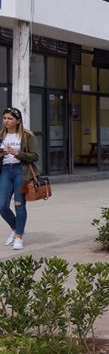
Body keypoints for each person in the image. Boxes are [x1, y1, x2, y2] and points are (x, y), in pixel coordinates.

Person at [0, 107, 39, 250]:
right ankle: (16, 228)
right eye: (4, 118)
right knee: (2, 206)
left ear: (18, 120)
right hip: (5, 171)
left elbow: (35, 156)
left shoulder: (27, 136)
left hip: (20, 172)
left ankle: (18, 237)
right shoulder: (1, 135)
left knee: (19, 205)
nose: (6, 121)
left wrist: (17, 153)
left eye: (10, 118)